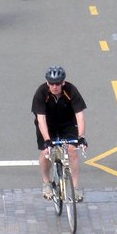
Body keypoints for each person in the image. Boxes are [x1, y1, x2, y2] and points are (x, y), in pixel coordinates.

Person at [31, 66, 87, 202]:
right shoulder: (41, 93)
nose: (54, 86)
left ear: (63, 82)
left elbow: (79, 115)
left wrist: (81, 137)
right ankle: (46, 183)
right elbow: (41, 119)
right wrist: (47, 140)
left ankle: (75, 188)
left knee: (72, 151)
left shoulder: (71, 90)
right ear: (47, 83)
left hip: (67, 123)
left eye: (57, 83)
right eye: (51, 83)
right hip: (48, 125)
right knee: (46, 152)